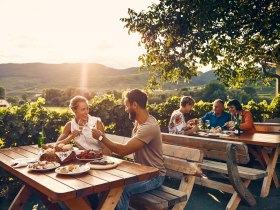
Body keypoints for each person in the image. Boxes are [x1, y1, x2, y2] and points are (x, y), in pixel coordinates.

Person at [92, 89, 166, 210]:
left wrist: (101, 137)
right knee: (105, 184)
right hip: (140, 172)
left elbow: (123, 150)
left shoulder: (149, 126)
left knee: (121, 190)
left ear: (135, 105)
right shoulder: (139, 123)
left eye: (127, 105)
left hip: (154, 176)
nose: (126, 109)